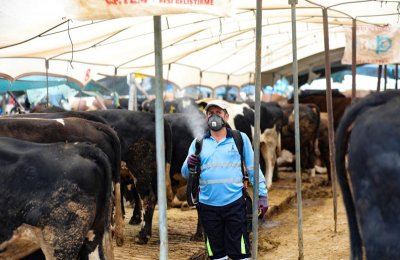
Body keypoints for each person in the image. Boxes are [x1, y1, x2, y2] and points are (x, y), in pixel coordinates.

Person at [182, 99, 268, 260]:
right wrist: (189, 163)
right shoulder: (198, 143)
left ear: (226, 116)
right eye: (210, 113)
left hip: (234, 205)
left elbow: (253, 169)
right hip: (208, 208)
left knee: (240, 253)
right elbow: (185, 173)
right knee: (216, 254)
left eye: (218, 113)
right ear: (206, 118)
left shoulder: (240, 139)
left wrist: (262, 195)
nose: (214, 117)